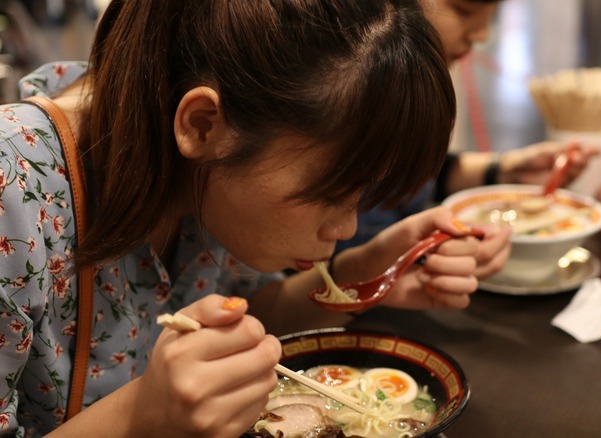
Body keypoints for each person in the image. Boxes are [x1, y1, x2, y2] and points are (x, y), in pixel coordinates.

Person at [0, 0, 508, 436]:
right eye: (332, 192)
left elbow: (252, 317)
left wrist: (364, 273)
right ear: (202, 123)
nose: (347, 228)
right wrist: (142, 417)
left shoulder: (199, 170)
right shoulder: (14, 194)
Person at [336, 0, 598, 253]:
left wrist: (504, 171)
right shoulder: (344, 93)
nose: (481, 34)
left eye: (490, 14)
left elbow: (413, 179)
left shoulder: (410, 91)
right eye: (463, 10)